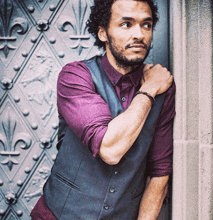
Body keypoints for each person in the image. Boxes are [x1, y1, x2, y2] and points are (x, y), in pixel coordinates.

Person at [30, 0, 175, 219]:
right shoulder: (76, 76)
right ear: (102, 33)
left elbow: (159, 174)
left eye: (146, 25)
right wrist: (149, 89)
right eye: (126, 24)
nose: (139, 34)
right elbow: (110, 149)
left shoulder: (165, 91)